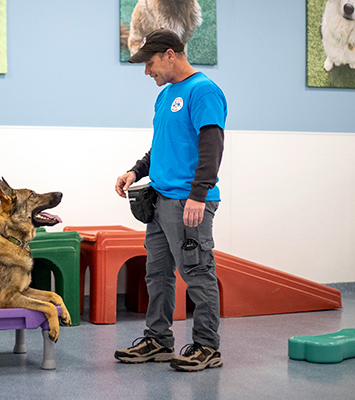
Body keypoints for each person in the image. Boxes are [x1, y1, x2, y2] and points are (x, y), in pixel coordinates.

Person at [114, 29, 227, 372]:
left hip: (189, 202)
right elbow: (163, 144)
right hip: (160, 201)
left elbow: (212, 146)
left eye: (149, 62)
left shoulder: (203, 90)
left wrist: (198, 194)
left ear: (169, 55)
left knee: (197, 272)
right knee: (158, 273)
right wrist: (136, 171)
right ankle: (158, 341)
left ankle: (207, 347)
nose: (146, 71)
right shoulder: (165, 96)